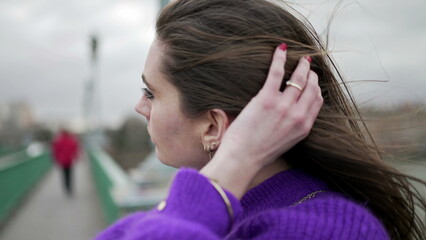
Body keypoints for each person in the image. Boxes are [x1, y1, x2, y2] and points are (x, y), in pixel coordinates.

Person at [96, 0, 426, 239]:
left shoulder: (326, 229)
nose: (140, 106)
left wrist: (233, 162)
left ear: (213, 126)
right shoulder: (205, 211)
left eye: (151, 91)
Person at [52, 129, 80, 196]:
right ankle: (70, 187)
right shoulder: (71, 140)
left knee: (64, 174)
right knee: (70, 174)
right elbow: (75, 148)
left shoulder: (58, 141)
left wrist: (56, 159)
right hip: (69, 160)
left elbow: (55, 150)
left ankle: (66, 187)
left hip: (62, 160)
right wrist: (76, 157)